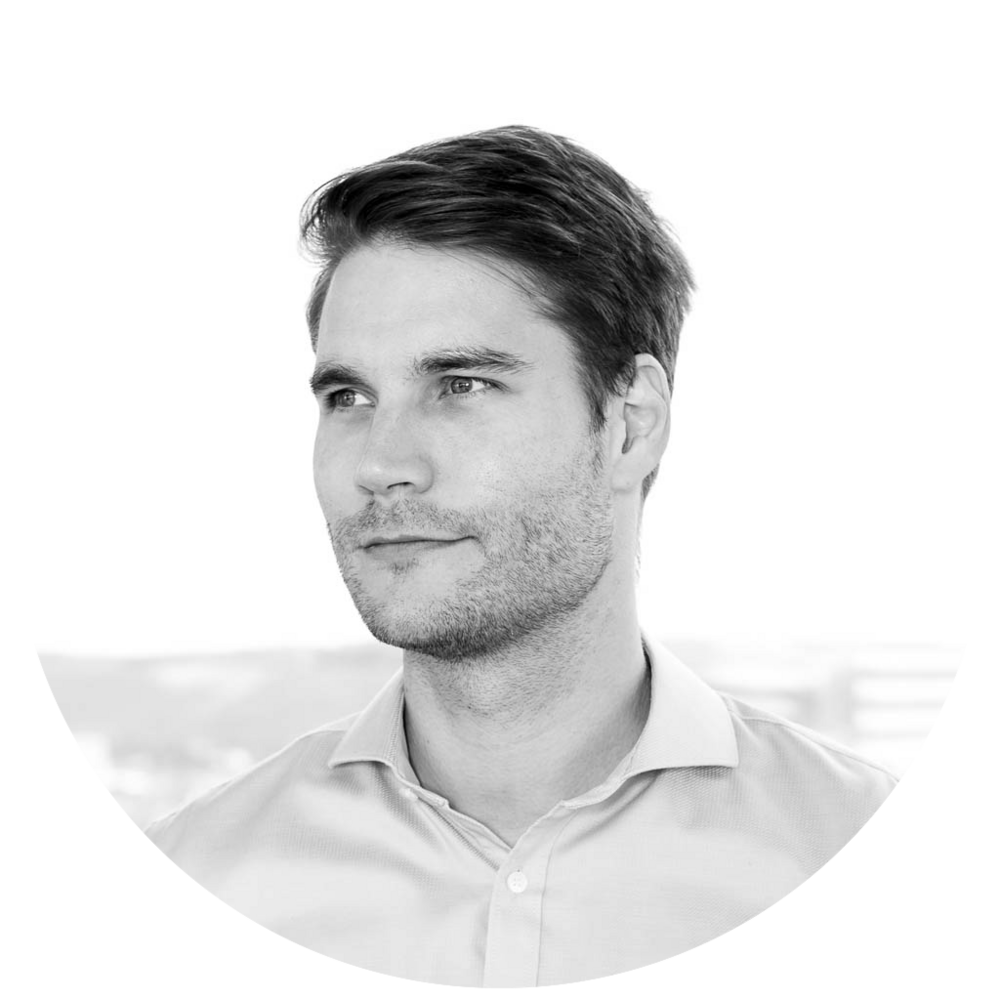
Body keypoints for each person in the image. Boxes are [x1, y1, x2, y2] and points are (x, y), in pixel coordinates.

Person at [144, 125, 898, 986]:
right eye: (348, 396)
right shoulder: (206, 867)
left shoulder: (837, 835)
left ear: (630, 425)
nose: (381, 464)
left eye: (461, 385)